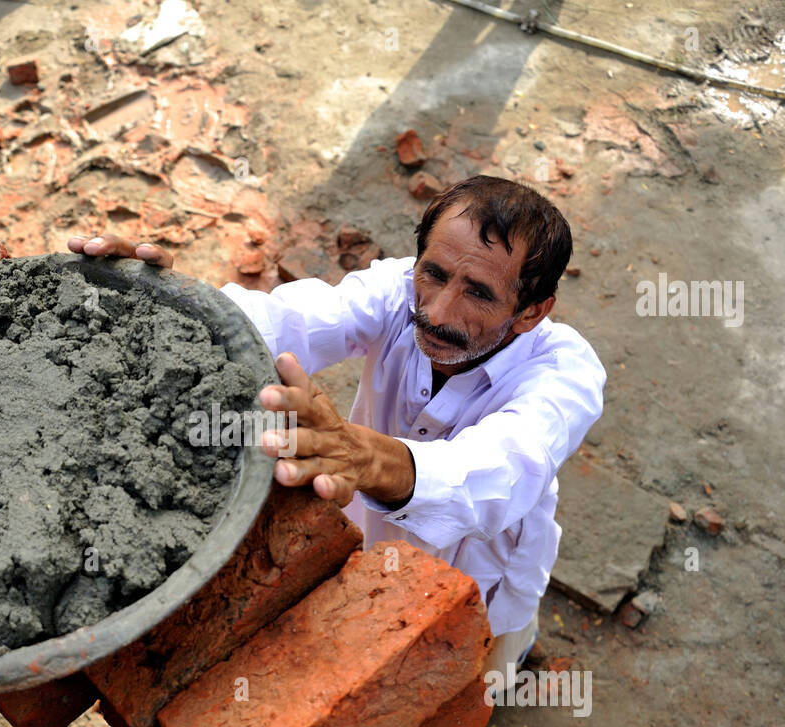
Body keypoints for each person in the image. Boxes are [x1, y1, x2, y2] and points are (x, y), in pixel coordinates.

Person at [67, 175, 606, 682]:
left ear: (533, 311)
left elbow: (503, 471)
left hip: (484, 574)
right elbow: (285, 321)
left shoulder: (566, 373)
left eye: (479, 293)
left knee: (474, 671)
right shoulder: (396, 291)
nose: (438, 311)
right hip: (370, 535)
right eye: (435, 274)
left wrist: (367, 459)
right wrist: (170, 307)